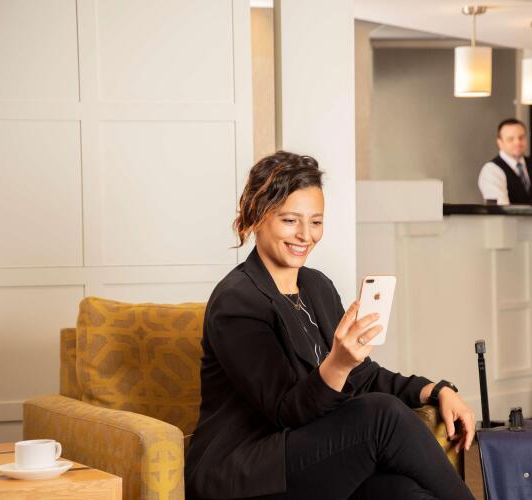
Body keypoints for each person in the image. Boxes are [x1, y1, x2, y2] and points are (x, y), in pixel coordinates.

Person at [185, 151, 475, 500]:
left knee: (402, 493)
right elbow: (286, 411)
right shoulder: (236, 302)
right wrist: (338, 363)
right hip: (246, 472)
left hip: (307, 458)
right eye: (290, 221)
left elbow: (363, 376)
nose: (305, 235)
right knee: (382, 415)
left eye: (316, 222)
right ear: (258, 216)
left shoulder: (317, 286)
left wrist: (436, 390)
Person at [478, 118, 532, 206]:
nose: (517, 142)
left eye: (521, 137)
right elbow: (501, 209)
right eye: (510, 139)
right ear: (500, 143)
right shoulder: (491, 170)